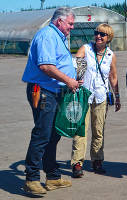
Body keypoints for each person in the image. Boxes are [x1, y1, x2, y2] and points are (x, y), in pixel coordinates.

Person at [22, 7, 83, 195]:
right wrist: (69, 80)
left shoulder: (58, 36)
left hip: (56, 91)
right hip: (43, 91)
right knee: (42, 134)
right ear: (59, 22)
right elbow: (46, 66)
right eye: (70, 24)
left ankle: (53, 176)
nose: (71, 27)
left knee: (53, 135)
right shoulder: (47, 35)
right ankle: (31, 178)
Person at [71, 24, 121, 178]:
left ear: (108, 38)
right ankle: (77, 163)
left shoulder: (110, 55)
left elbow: (113, 77)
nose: (98, 36)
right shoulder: (86, 49)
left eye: (103, 34)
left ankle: (97, 160)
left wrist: (117, 96)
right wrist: (76, 78)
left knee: (98, 131)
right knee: (81, 130)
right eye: (96, 33)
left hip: (101, 97)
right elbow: (75, 65)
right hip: (84, 95)